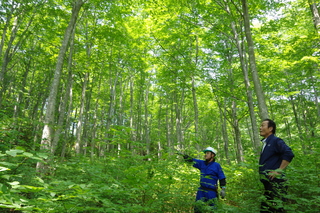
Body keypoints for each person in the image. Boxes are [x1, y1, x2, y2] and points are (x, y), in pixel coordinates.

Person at [259, 119, 294, 213]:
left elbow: (289, 153)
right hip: (269, 184)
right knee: (266, 209)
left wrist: (279, 170)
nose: (260, 128)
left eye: (262, 125)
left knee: (277, 209)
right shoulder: (266, 143)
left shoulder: (275, 141)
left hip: (276, 183)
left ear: (270, 128)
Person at [180, 147, 226, 213]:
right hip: (201, 190)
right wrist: (184, 156)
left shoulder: (217, 165)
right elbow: (192, 160)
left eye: (207, 153)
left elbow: (222, 177)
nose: (205, 155)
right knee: (198, 208)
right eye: (205, 153)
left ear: (212, 155)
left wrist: (223, 188)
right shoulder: (201, 163)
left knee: (213, 209)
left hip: (211, 192)